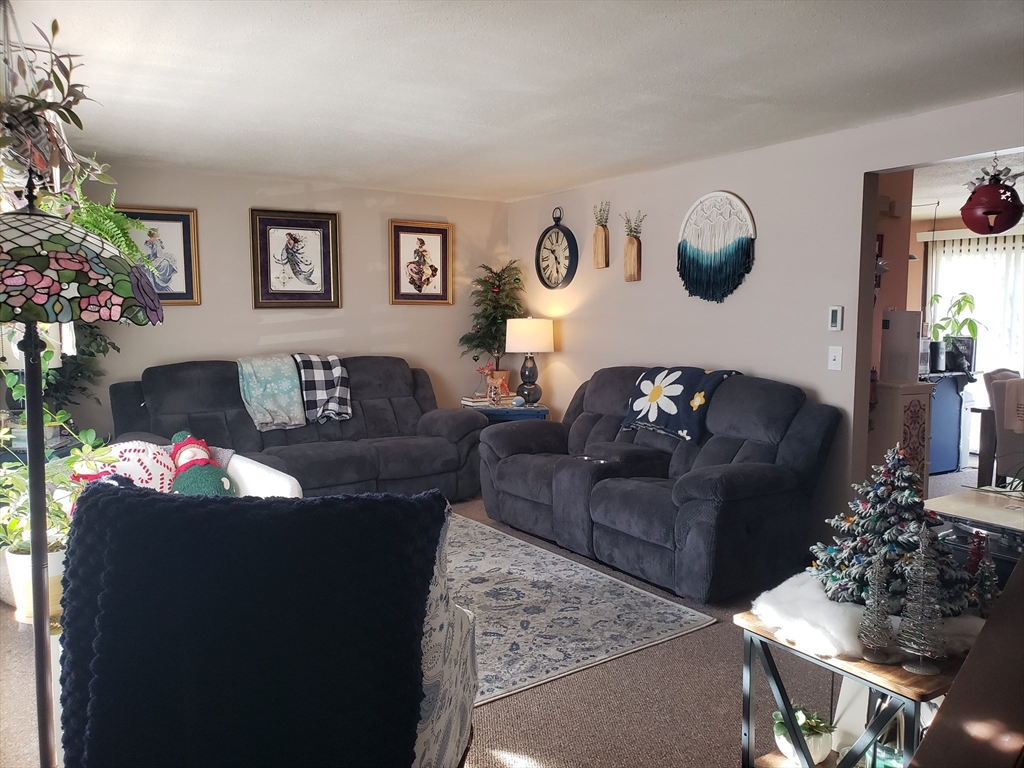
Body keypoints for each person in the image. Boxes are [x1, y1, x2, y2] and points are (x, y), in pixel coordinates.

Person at [144, 228, 177, 293]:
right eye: (156, 232)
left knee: (170, 259)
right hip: (154, 256)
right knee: (162, 263)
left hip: (160, 254)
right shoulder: (150, 242)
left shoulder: (158, 241)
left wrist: (160, 243)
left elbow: (163, 247)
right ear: (153, 234)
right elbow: (150, 252)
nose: (158, 234)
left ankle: (164, 281)